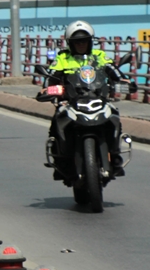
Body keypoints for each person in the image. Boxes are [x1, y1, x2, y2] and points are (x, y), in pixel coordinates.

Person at [45, 20, 125, 175]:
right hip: (70, 101)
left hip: (97, 99)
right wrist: (48, 89)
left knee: (114, 116)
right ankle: (60, 159)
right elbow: (51, 76)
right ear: (70, 43)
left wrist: (123, 80)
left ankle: (115, 155)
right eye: (77, 42)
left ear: (90, 42)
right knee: (57, 121)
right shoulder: (62, 58)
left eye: (84, 41)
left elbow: (113, 70)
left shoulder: (99, 56)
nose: (81, 44)